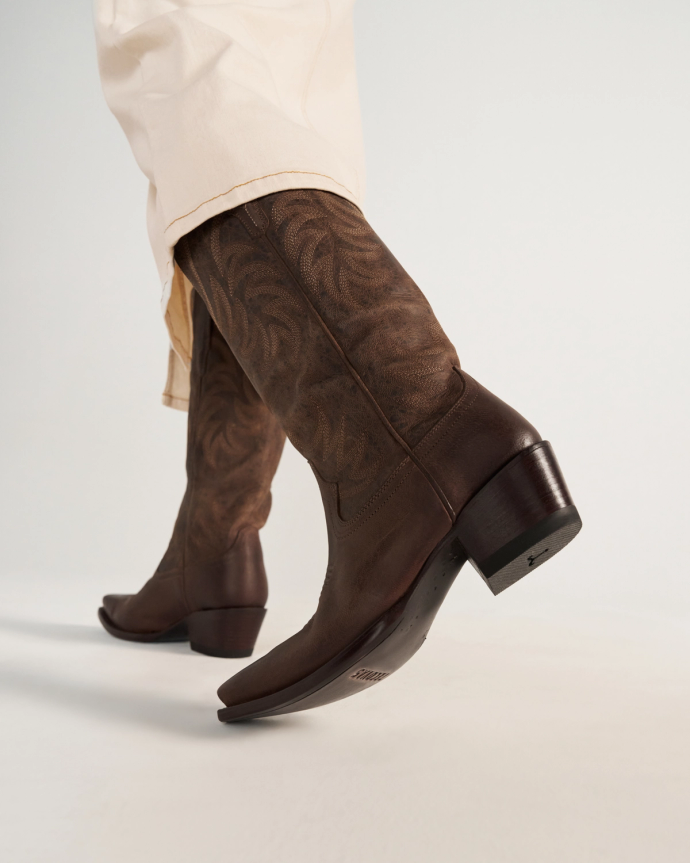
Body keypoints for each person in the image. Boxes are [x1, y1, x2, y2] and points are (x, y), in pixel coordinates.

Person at [94, 0, 581, 722]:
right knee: (277, 73)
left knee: (190, 59)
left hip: (417, 442)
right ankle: (216, 535)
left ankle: (418, 436)